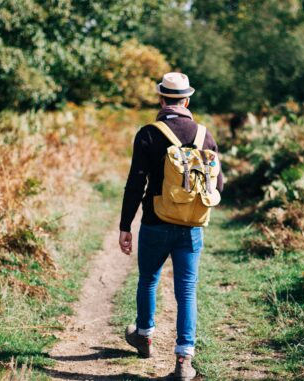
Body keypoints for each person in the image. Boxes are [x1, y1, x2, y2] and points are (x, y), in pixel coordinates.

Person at [118, 72, 224, 379]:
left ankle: (144, 335)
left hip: (154, 221)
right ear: (187, 100)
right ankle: (183, 361)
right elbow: (218, 184)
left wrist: (126, 225)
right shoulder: (205, 135)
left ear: (161, 99)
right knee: (187, 291)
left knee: (148, 280)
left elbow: (135, 184)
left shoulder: (149, 133)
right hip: (192, 227)